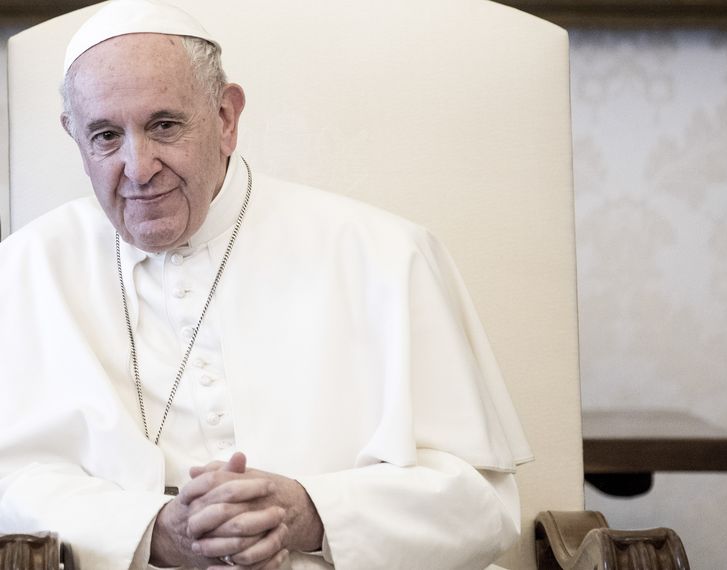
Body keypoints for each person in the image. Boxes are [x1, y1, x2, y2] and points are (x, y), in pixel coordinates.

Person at [0, 1, 532, 569]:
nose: (138, 166)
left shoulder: (387, 254)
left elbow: (483, 505)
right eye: (106, 135)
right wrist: (152, 531)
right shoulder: (24, 271)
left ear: (226, 117)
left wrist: (309, 511)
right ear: (73, 137)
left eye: (164, 125)